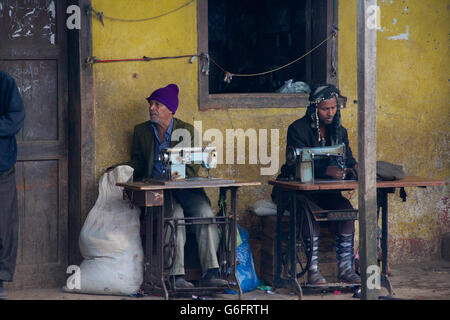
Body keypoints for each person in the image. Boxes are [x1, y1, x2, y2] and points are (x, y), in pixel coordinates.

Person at [126, 84, 227, 289]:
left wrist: (174, 174)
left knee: (205, 212)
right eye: (151, 104)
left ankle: (211, 272)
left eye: (157, 104)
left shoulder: (186, 130)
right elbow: (137, 162)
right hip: (157, 192)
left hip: (185, 190)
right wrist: (121, 171)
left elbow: (191, 168)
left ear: (170, 110)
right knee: (175, 215)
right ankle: (175, 276)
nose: (151, 108)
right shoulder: (142, 132)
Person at [272, 84, 360, 285]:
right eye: (325, 109)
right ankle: (312, 270)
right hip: (295, 192)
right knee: (308, 213)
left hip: (325, 193)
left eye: (333, 108)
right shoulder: (297, 129)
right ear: (314, 109)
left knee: (346, 210)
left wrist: (352, 169)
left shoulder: (339, 132)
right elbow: (296, 164)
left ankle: (345, 269)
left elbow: (347, 158)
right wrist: (325, 171)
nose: (330, 113)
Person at [0, 71, 26, 299]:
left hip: (1, 168)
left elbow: (15, 119)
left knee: (3, 225)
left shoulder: (5, 82)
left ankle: (0, 279)